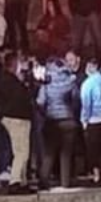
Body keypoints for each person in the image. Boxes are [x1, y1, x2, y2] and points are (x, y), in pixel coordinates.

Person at [37, 53, 81, 190]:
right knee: (66, 153)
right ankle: (65, 182)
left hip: (51, 121)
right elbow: (76, 100)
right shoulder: (70, 82)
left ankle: (43, 181)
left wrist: (45, 113)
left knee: (49, 152)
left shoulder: (46, 84)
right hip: (68, 120)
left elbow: (40, 102)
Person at [0, 56, 35, 191]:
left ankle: (22, 180)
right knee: (21, 151)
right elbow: (24, 98)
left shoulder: (3, 80)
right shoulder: (13, 83)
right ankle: (15, 180)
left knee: (21, 149)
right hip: (18, 118)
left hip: (9, 117)